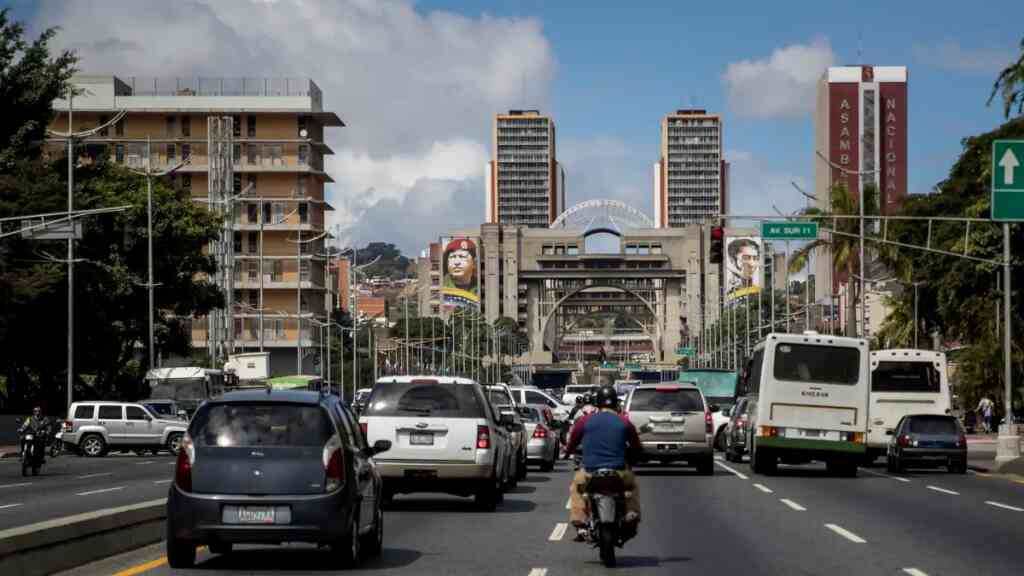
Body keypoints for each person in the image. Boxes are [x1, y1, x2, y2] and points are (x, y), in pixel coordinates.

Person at [563, 386, 642, 542]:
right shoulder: (624, 422)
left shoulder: (584, 420)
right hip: (618, 472)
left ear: (597, 403)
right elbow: (636, 446)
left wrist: (566, 452)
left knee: (577, 487)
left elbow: (572, 442)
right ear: (616, 404)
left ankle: (581, 523)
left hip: (590, 472)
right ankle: (631, 513)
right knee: (632, 486)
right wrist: (635, 458)